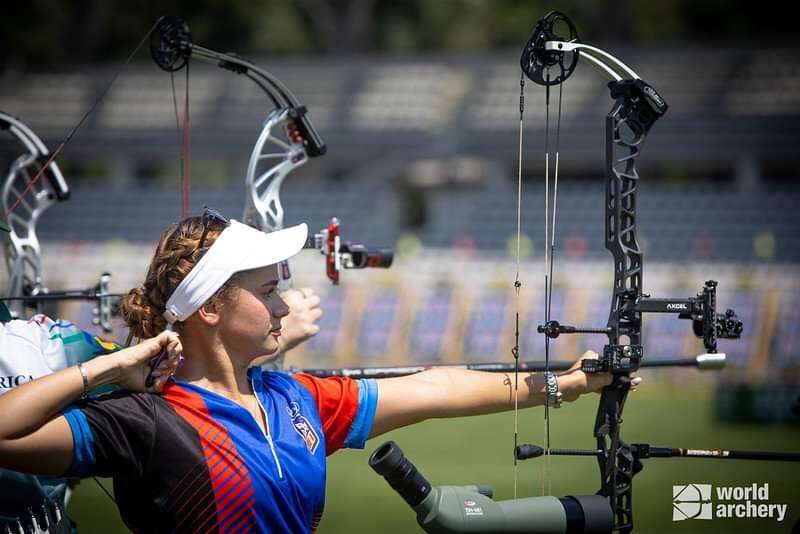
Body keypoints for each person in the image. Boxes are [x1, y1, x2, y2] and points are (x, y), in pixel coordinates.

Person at [0, 209, 621, 533]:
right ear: (211, 306)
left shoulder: (296, 400)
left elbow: (436, 387)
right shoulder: (143, 421)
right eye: (268, 291)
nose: (283, 304)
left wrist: (562, 385)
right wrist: (109, 369)